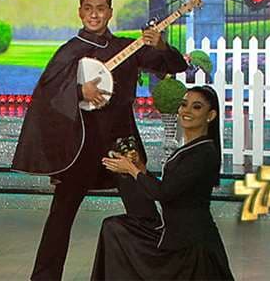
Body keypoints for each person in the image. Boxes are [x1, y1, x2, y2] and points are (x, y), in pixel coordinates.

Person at [11, 0, 188, 280]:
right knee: (60, 218)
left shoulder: (126, 48)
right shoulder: (69, 50)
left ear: (110, 13)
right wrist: (79, 90)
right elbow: (46, 93)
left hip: (121, 144)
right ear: (80, 12)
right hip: (79, 147)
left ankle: (164, 273)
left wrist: (160, 46)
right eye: (89, 8)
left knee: (145, 212)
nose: (94, 14)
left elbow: (175, 65)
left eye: (101, 8)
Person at [92, 85, 234, 280]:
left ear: (210, 116)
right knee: (113, 227)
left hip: (189, 244)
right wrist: (140, 168)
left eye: (196, 107)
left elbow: (163, 193)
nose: (186, 111)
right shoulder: (192, 149)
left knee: (115, 229)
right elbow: (169, 188)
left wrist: (132, 170)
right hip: (174, 235)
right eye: (184, 105)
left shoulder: (203, 153)